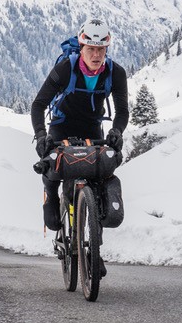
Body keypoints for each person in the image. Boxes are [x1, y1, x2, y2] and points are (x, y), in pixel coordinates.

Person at [30, 18, 129, 233]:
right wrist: (40, 136)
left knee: (99, 179)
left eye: (101, 49)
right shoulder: (65, 69)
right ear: (81, 47)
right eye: (91, 49)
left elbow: (123, 112)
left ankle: (94, 248)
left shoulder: (116, 73)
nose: (96, 55)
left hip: (92, 129)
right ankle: (52, 196)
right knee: (53, 168)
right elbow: (38, 105)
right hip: (61, 127)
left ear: (107, 49)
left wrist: (116, 132)